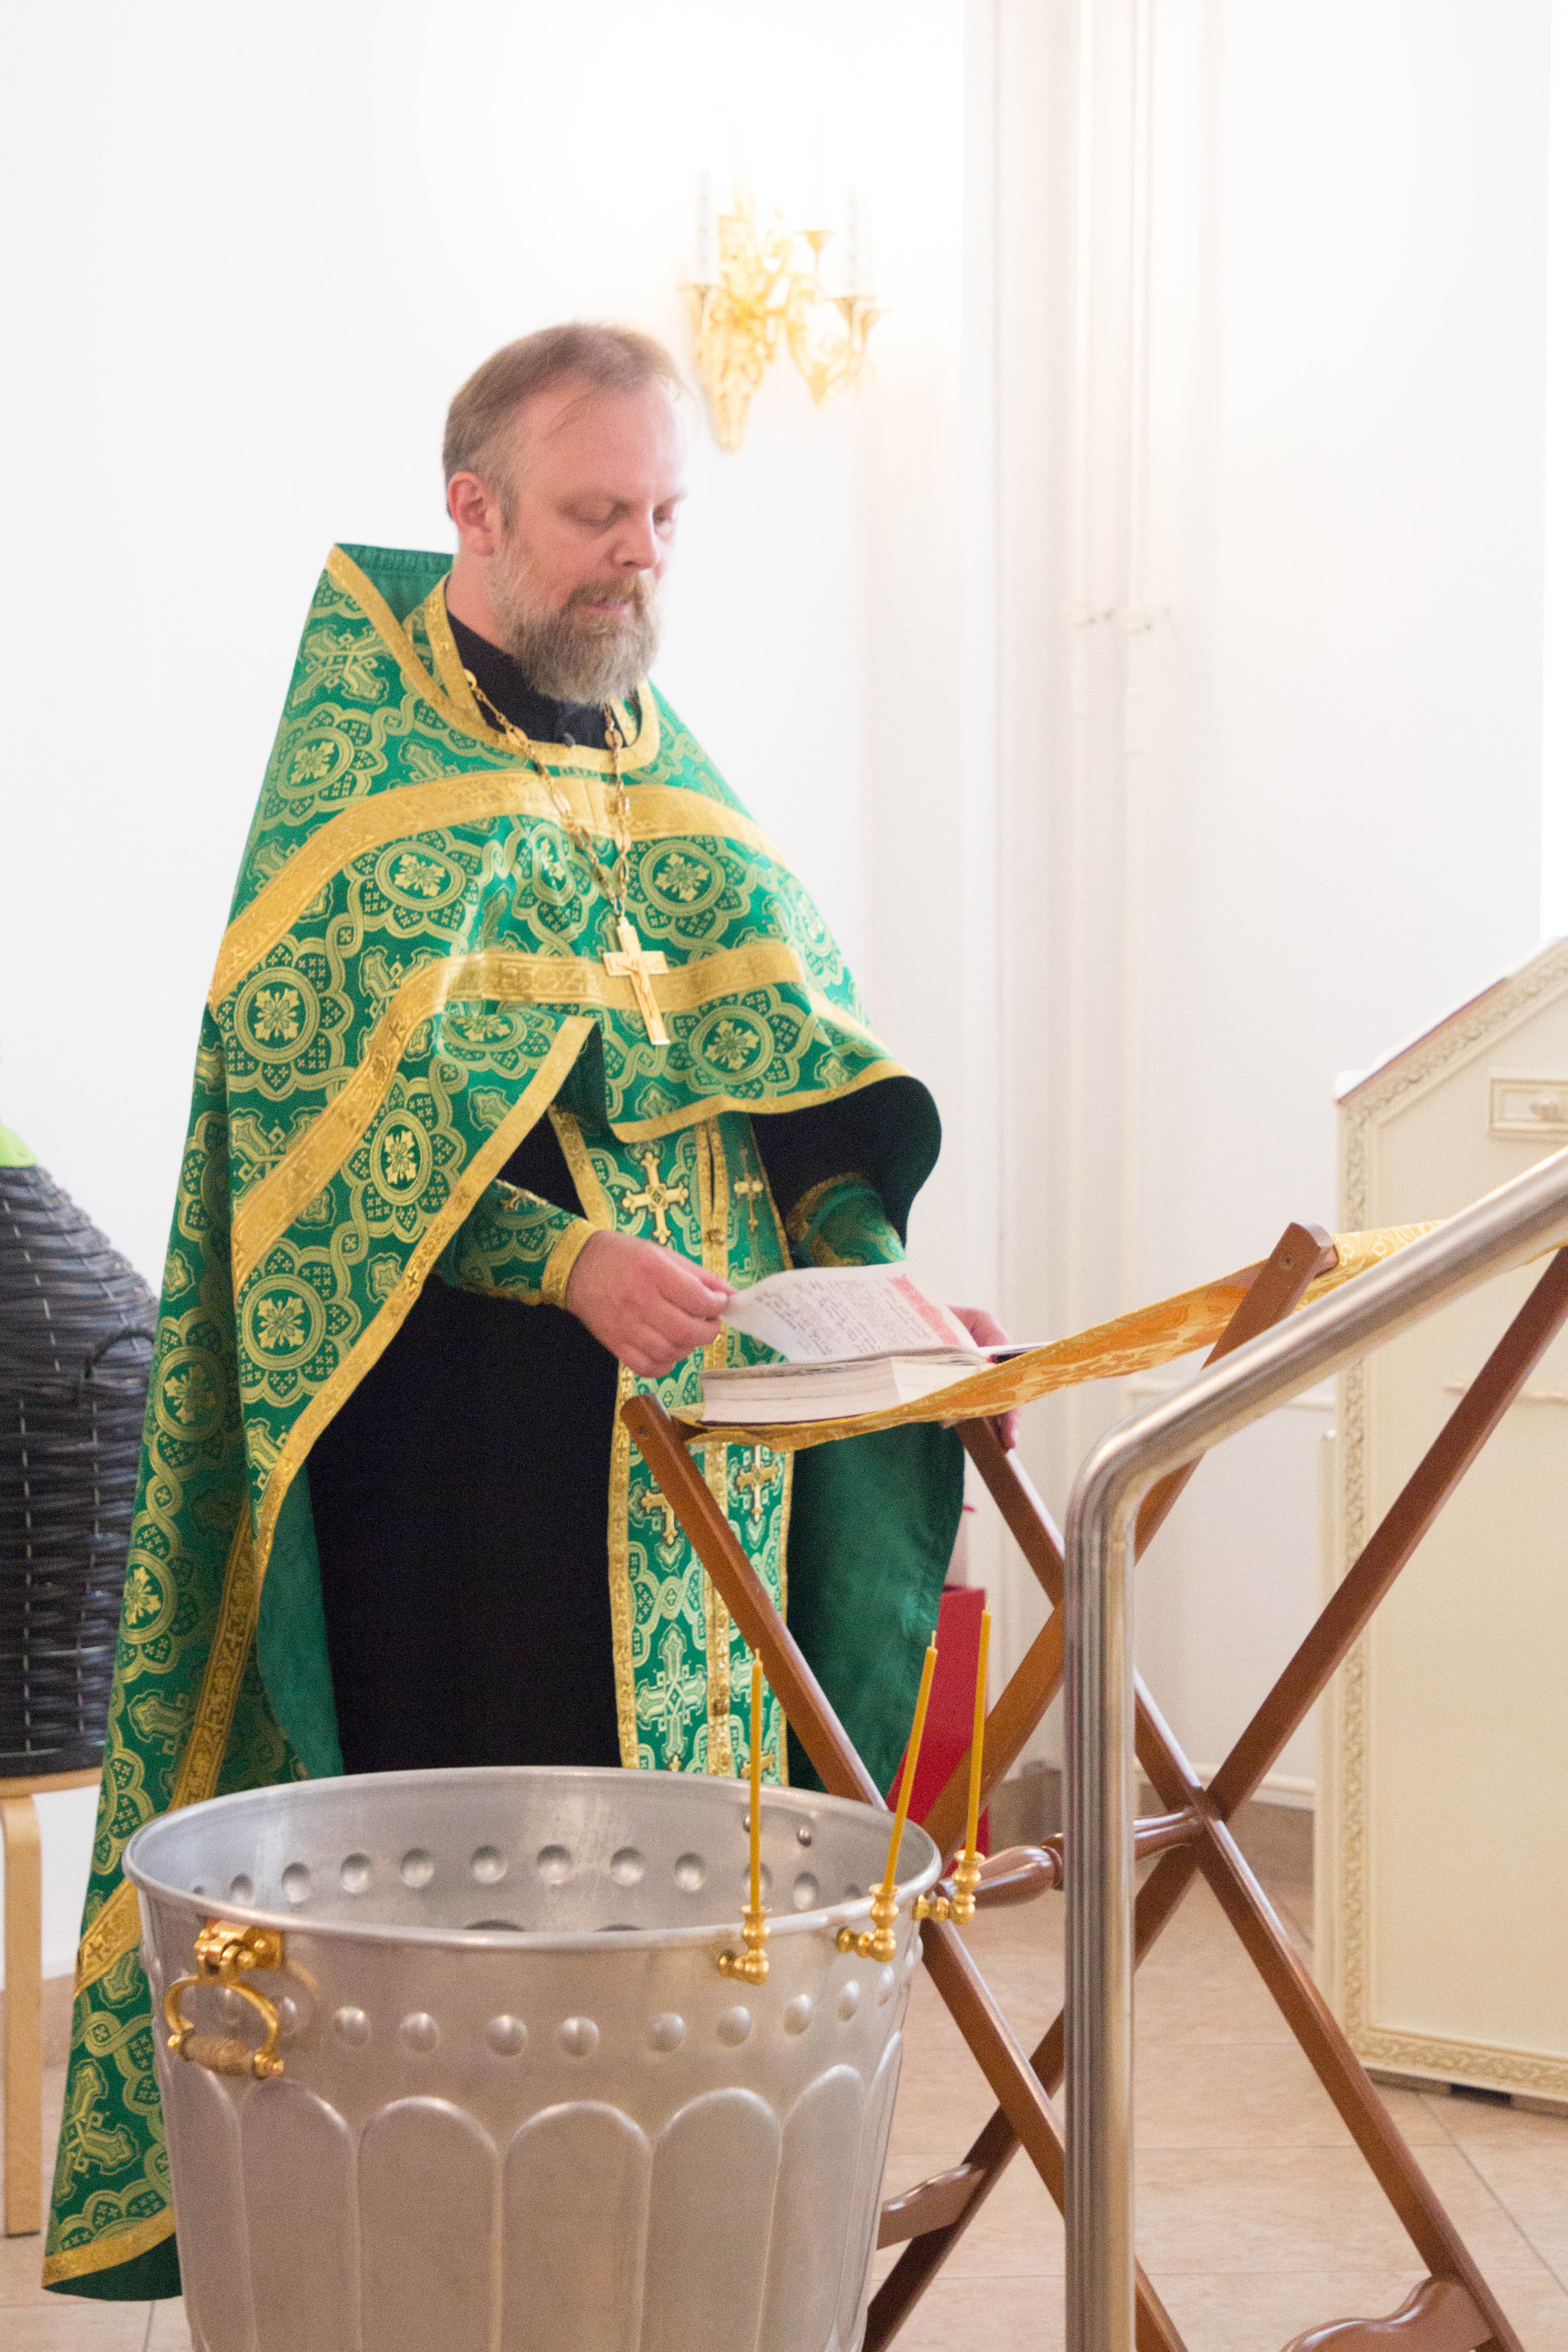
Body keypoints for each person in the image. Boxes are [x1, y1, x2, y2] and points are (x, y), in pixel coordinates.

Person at [46, 322, 1008, 2302]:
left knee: (696, 1918)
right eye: (595, 514)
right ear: (472, 509)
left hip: (707, 1472)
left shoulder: (669, 775)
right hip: (467, 1469)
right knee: (489, 1949)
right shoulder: (366, 777)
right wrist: (560, 1260)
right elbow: (317, 1139)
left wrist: (865, 1270)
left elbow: (793, 1087)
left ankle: (689, 2274)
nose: (638, 555)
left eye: (663, 515)